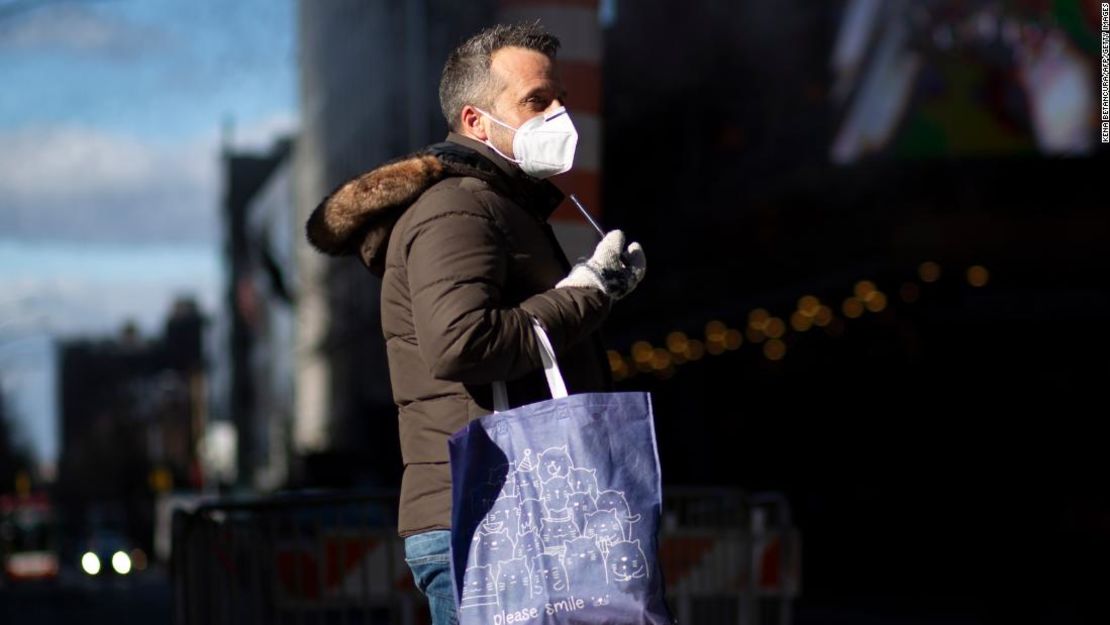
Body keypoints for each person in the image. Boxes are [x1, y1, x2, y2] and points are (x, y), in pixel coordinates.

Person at [305, 22, 646, 625]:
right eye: (537, 101)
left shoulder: (499, 203)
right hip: (492, 514)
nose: (559, 113)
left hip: (513, 507)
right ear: (474, 121)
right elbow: (463, 343)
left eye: (559, 97)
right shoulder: (457, 206)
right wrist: (589, 292)